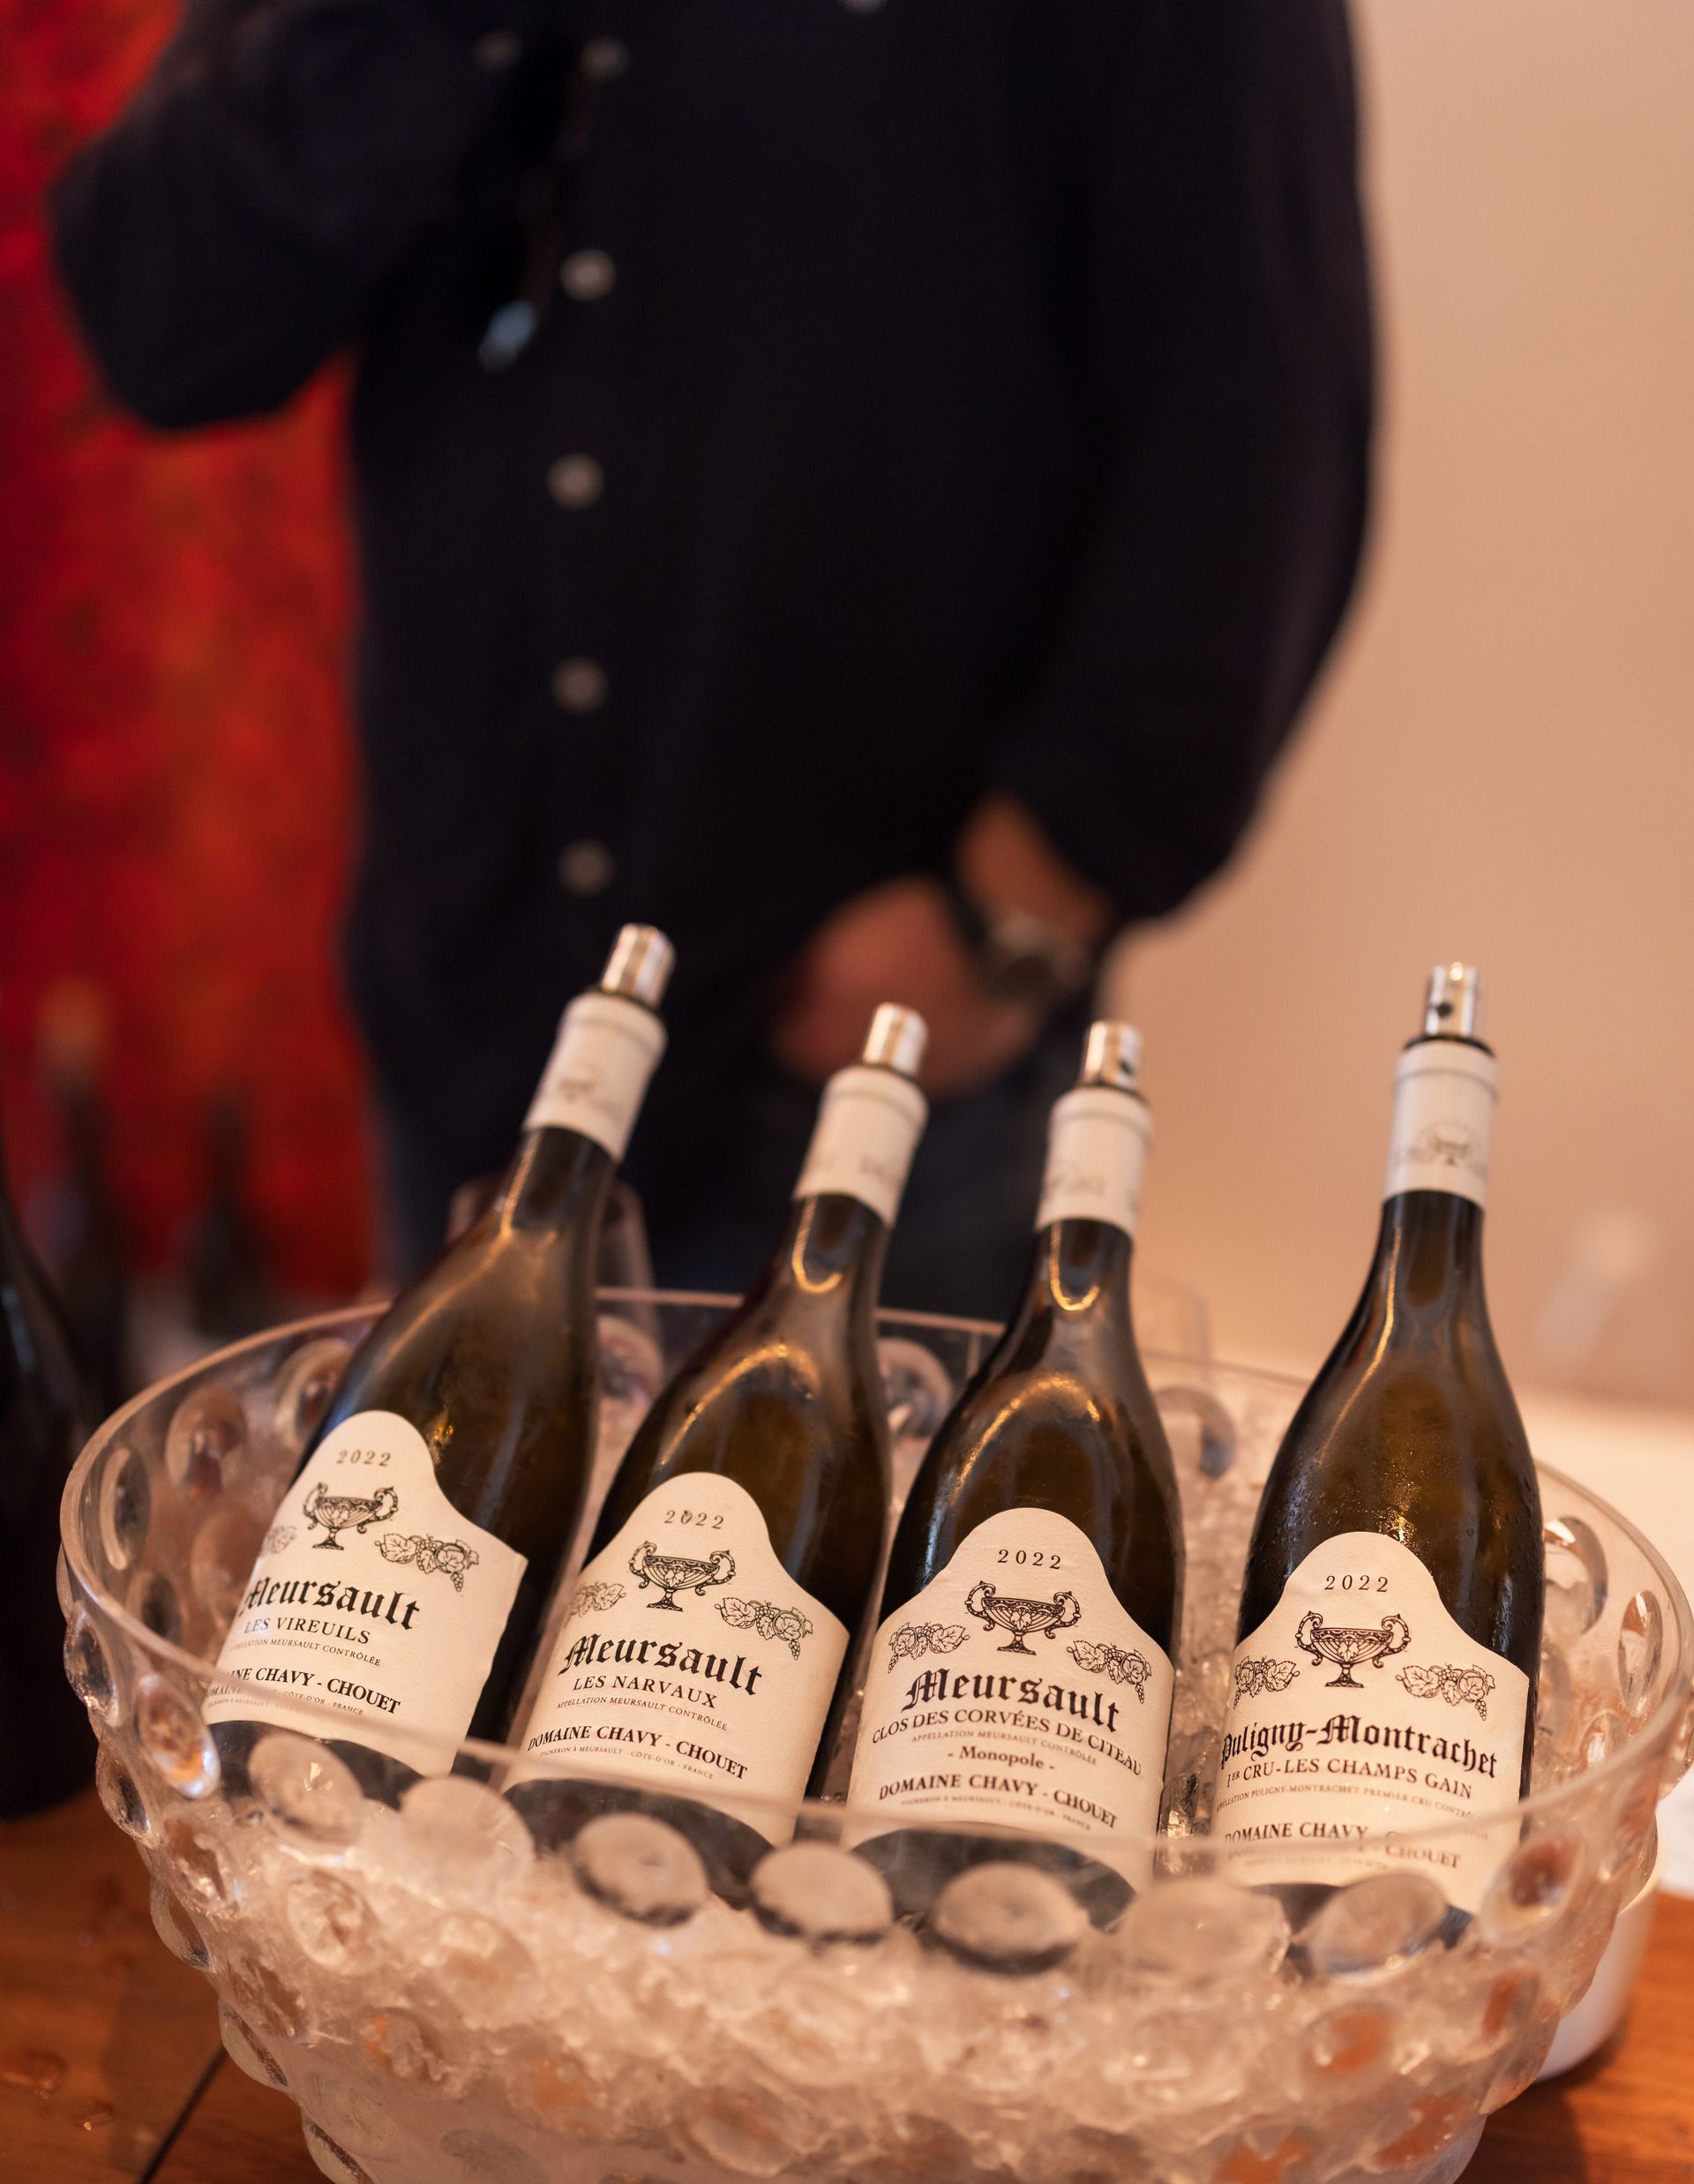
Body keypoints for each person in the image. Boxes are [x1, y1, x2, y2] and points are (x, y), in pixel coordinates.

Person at [52, 0, 1372, 1317]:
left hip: (863, 1060)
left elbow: (1254, 432)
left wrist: (1006, 920)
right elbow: (166, 318)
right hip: (472, 1021)